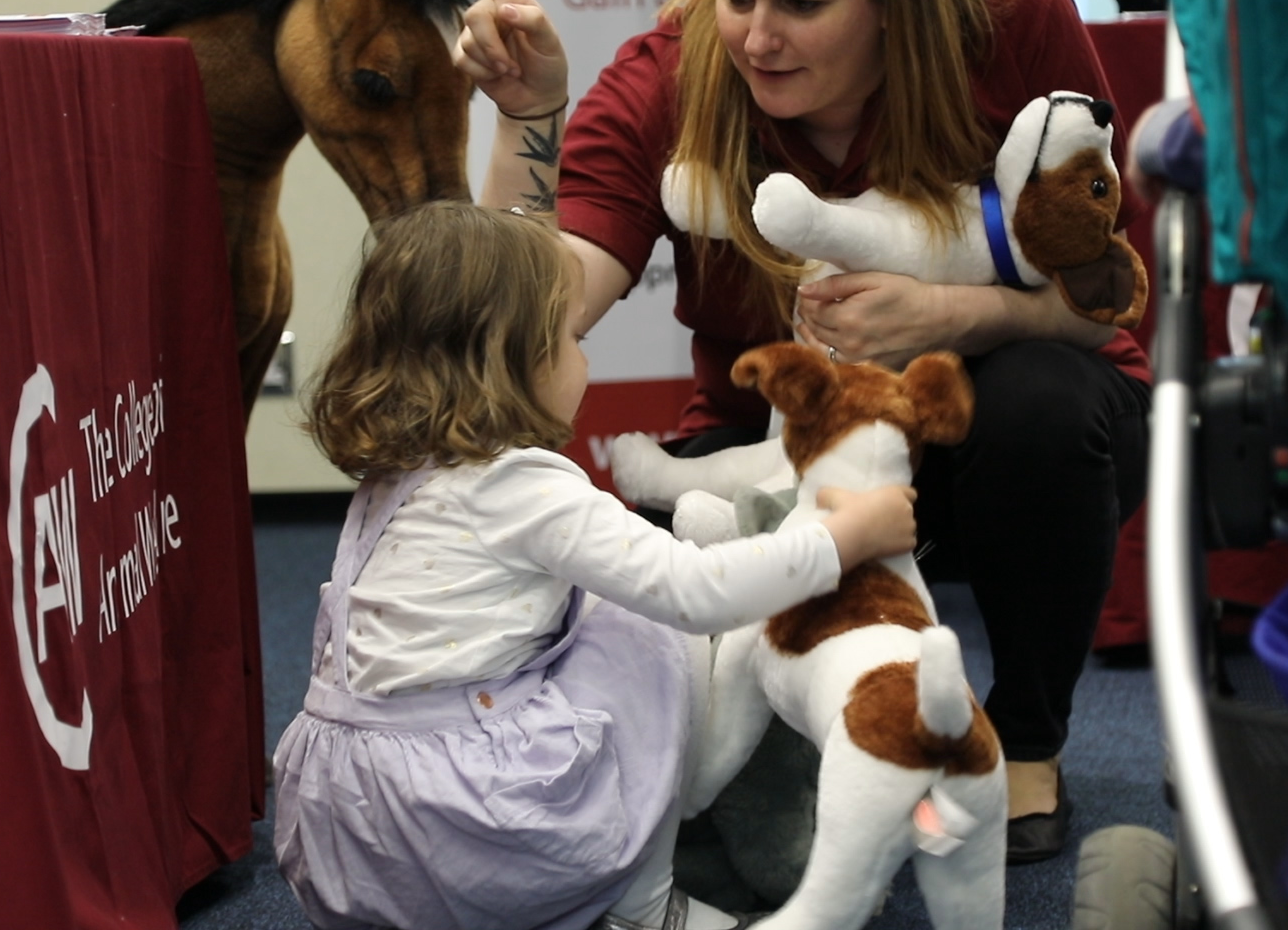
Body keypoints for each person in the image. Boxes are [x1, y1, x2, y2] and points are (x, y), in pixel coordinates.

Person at [441, 0, 1151, 866]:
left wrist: (956, 310)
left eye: (803, 4)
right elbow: (530, 311)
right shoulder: (674, 73)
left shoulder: (1008, 21)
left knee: (1040, 404)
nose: (757, 39)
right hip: (782, 446)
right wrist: (526, 117)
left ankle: (1027, 743)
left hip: (1001, 427)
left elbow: (1109, 303)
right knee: (653, 546)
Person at [270, 200, 920, 930]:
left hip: (344, 835)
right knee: (643, 629)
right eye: (575, 337)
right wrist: (841, 540)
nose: (587, 358)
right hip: (461, 826)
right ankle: (646, 904)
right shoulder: (522, 485)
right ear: (506, 358)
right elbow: (693, 591)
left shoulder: (393, 480)